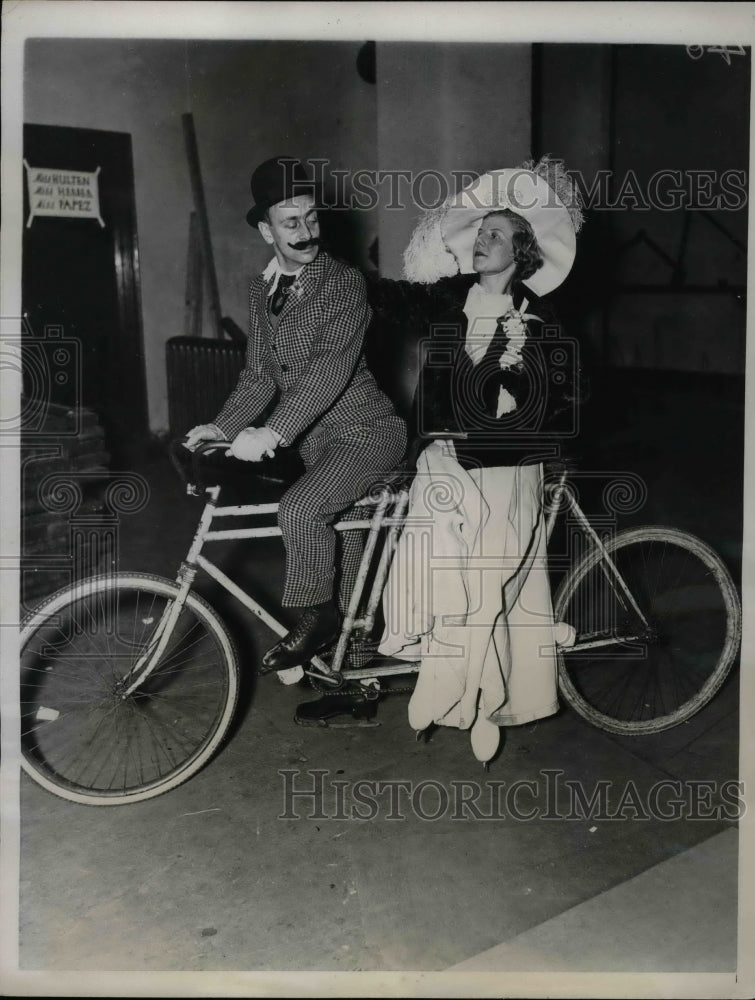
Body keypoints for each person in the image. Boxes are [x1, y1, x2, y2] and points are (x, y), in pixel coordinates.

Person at [369, 157, 585, 761]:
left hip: (507, 466)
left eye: (495, 234)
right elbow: (385, 299)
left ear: (522, 252)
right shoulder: (446, 301)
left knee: (489, 584)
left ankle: (482, 699)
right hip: (446, 458)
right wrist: (327, 268)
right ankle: (458, 689)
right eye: (479, 232)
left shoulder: (539, 320)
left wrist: (523, 378)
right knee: (449, 576)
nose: (481, 241)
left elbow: (570, 397)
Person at [185, 156, 406, 676]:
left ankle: (315, 617)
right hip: (320, 447)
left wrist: (274, 431)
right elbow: (259, 375)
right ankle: (353, 671)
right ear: (266, 230)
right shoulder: (261, 290)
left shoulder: (345, 284)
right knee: (350, 549)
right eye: (291, 223)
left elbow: (328, 371)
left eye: (312, 218)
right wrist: (223, 426)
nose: (306, 232)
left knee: (300, 510)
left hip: (368, 434)